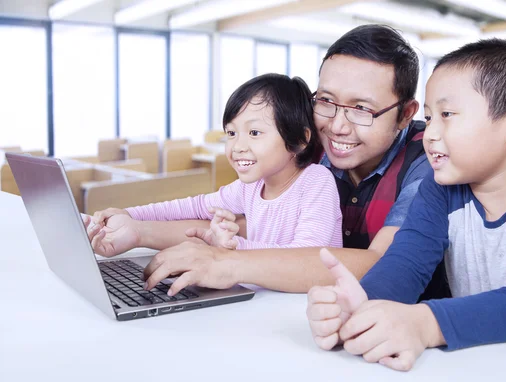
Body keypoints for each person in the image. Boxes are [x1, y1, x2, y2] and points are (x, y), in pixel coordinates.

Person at [86, 25, 449, 297]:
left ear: (405, 114)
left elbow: (379, 264)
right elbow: (238, 223)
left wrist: (226, 261)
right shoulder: (309, 143)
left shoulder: (426, 159)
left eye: (362, 109)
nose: (337, 126)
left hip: (395, 328)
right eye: (325, 100)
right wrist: (135, 231)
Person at [306, 38, 506, 371]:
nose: (430, 134)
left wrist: (426, 323)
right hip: (484, 374)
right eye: (430, 118)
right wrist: (361, 306)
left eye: (447, 115)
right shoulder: (440, 189)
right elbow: (403, 268)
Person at [88, 73, 343, 269]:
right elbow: (194, 206)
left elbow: (307, 257)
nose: (238, 146)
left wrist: (230, 247)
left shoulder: (316, 182)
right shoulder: (251, 187)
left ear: (299, 139)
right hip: (268, 297)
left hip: (305, 306)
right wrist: (130, 214)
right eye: (231, 133)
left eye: (254, 133)